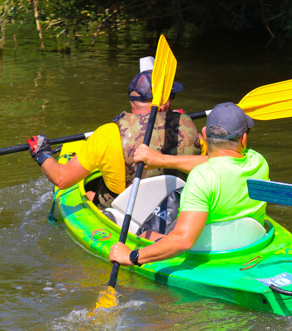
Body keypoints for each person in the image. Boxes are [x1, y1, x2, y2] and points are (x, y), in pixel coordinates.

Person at [109, 102, 267, 266]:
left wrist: (132, 256)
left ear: (204, 134)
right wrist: (161, 160)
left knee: (145, 235)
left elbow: (183, 241)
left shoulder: (201, 178)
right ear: (243, 139)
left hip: (204, 251)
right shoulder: (258, 161)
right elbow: (219, 163)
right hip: (249, 242)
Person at [27, 70, 200, 208]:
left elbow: (62, 179)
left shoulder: (108, 134)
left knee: (88, 193)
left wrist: (42, 155)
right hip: (178, 206)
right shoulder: (188, 126)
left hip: (126, 211)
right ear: (164, 103)